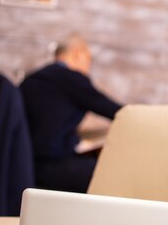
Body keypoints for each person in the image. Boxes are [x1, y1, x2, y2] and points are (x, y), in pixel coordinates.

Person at [20, 33, 123, 193]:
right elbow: (114, 111)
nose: (88, 67)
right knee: (116, 175)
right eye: (89, 60)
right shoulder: (71, 78)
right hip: (52, 166)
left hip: (26, 166)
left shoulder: (32, 79)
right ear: (77, 53)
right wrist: (141, 116)